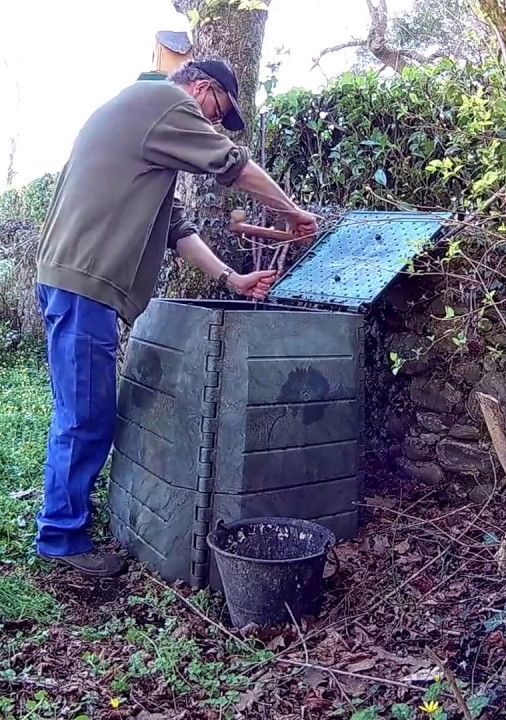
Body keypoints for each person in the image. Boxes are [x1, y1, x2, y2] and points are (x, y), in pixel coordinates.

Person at [34, 58, 321, 578]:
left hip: (75, 282)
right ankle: (60, 539)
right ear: (203, 88)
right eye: (218, 111)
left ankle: (65, 523)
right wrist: (292, 212)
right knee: (85, 417)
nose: (213, 124)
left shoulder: (143, 124)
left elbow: (176, 229)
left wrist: (231, 280)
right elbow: (232, 165)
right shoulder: (164, 101)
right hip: (83, 285)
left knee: (83, 412)